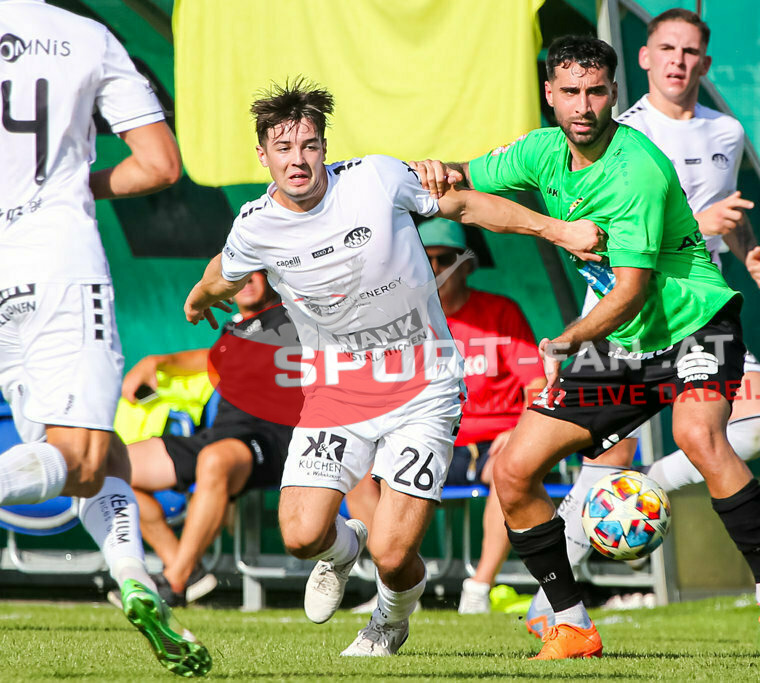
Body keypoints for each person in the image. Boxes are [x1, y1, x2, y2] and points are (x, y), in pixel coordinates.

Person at [412, 35, 760, 659]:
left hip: (694, 324)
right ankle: (571, 624)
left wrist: (565, 340)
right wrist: (425, 174)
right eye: (570, 92)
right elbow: (465, 185)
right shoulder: (540, 151)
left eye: (596, 92)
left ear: (614, 94)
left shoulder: (638, 169)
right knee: (513, 472)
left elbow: (629, 291)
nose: (583, 105)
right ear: (550, 95)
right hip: (623, 341)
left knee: (701, 436)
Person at [182, 79, 602, 657]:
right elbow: (223, 268)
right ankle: (340, 550)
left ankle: (388, 620)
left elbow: (467, 204)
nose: (297, 160)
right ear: (263, 156)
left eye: (309, 145)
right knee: (302, 535)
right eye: (283, 149)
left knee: (395, 553)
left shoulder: (377, 178)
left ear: (325, 146)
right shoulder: (256, 226)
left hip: (424, 389)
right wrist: (200, 298)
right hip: (335, 395)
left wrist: (558, 230)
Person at [531, 7, 760, 623]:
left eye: (690, 51)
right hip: (624, 315)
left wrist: (750, 251)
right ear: (642, 59)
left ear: (705, 64)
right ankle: (552, 605)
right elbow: (632, 234)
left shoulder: (727, 131)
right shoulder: (621, 134)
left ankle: (648, 489)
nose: (677, 60)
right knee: (602, 462)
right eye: (665, 48)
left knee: (759, 425)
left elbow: (726, 208)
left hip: (698, 314)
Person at [0, 1, 210, 676]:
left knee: (95, 448)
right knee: (81, 457)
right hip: (56, 254)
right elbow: (160, 164)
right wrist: (71, 189)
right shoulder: (86, 35)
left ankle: (136, 579)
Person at [344, 217, 546, 615]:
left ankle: (479, 587)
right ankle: (395, 584)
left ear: (466, 265)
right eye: (426, 259)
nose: (435, 269)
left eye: (445, 259)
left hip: (492, 440)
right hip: (429, 439)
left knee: (509, 467)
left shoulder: (501, 312)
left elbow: (536, 385)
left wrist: (523, 430)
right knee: (356, 475)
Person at [120, 271, 293, 606]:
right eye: (241, 271)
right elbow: (205, 360)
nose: (250, 278)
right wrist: (156, 361)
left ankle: (174, 583)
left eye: (259, 270)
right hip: (218, 440)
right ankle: (186, 569)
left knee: (215, 459)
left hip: (273, 441)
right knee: (111, 467)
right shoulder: (233, 329)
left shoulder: (296, 316)